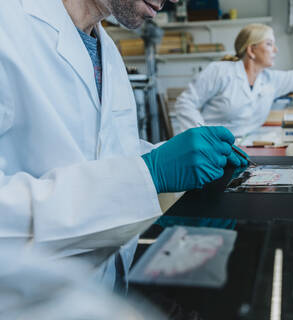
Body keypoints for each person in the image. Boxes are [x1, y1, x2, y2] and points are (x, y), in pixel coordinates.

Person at [0, 0, 247, 288]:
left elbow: (105, 152)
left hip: (105, 292)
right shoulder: (8, 25)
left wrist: (166, 155)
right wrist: (150, 173)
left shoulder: (107, 52)